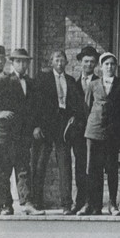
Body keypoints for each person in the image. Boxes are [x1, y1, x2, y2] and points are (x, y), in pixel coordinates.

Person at [81, 52, 120, 215]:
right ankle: (93, 204)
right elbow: (86, 107)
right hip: (94, 131)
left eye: (112, 64)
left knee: (111, 169)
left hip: (113, 133)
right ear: (101, 67)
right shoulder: (93, 84)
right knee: (93, 169)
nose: (110, 67)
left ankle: (112, 204)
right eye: (106, 64)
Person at [33, 50, 85, 215]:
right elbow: (36, 105)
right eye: (57, 60)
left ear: (66, 63)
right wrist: (37, 126)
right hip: (46, 125)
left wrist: (74, 120)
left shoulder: (70, 81)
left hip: (64, 126)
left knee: (65, 165)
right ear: (51, 62)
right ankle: (36, 202)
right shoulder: (43, 79)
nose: (60, 63)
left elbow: (77, 105)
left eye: (63, 60)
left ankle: (66, 204)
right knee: (41, 163)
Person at [6, 49, 45, 215]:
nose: (22, 65)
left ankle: (27, 202)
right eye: (19, 61)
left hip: (24, 134)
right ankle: (5, 205)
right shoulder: (5, 80)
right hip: (7, 133)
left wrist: (36, 126)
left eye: (25, 62)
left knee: (23, 168)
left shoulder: (31, 82)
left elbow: (36, 108)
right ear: (12, 63)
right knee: (4, 169)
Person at [72, 45, 100, 212]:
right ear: (80, 63)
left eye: (92, 62)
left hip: (94, 131)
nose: (88, 65)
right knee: (80, 167)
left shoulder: (99, 83)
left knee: (94, 166)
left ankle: (94, 203)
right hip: (78, 132)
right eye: (86, 61)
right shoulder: (72, 83)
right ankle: (80, 201)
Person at [0, 44, 17, 214]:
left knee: (3, 169)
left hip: (1, 133)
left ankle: (5, 203)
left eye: (1, 58)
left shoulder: (9, 79)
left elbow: (14, 105)